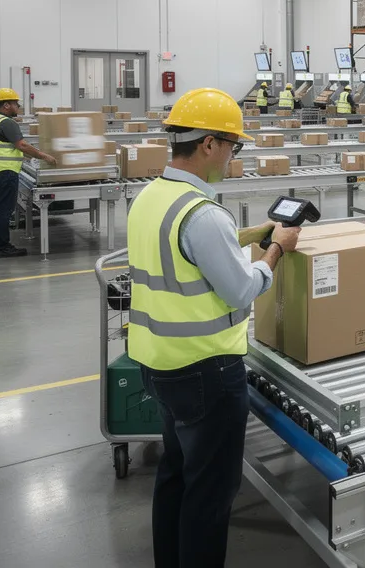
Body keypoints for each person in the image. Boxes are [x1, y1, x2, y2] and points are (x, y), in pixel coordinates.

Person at [127, 87, 302, 568]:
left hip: (158, 363)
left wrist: (247, 235)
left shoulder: (152, 197)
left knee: (177, 475)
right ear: (209, 144)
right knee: (210, 494)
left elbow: (186, 254)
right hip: (206, 372)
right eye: (233, 145)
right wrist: (277, 249)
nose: (233, 155)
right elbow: (243, 289)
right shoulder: (203, 214)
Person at [0, 88, 57, 258]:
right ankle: (2, 247)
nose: (18, 106)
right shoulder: (7, 122)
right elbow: (21, 145)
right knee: (3, 210)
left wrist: (21, 157)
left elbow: (1, 145)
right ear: (7, 105)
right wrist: (43, 155)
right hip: (4, 172)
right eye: (16, 103)